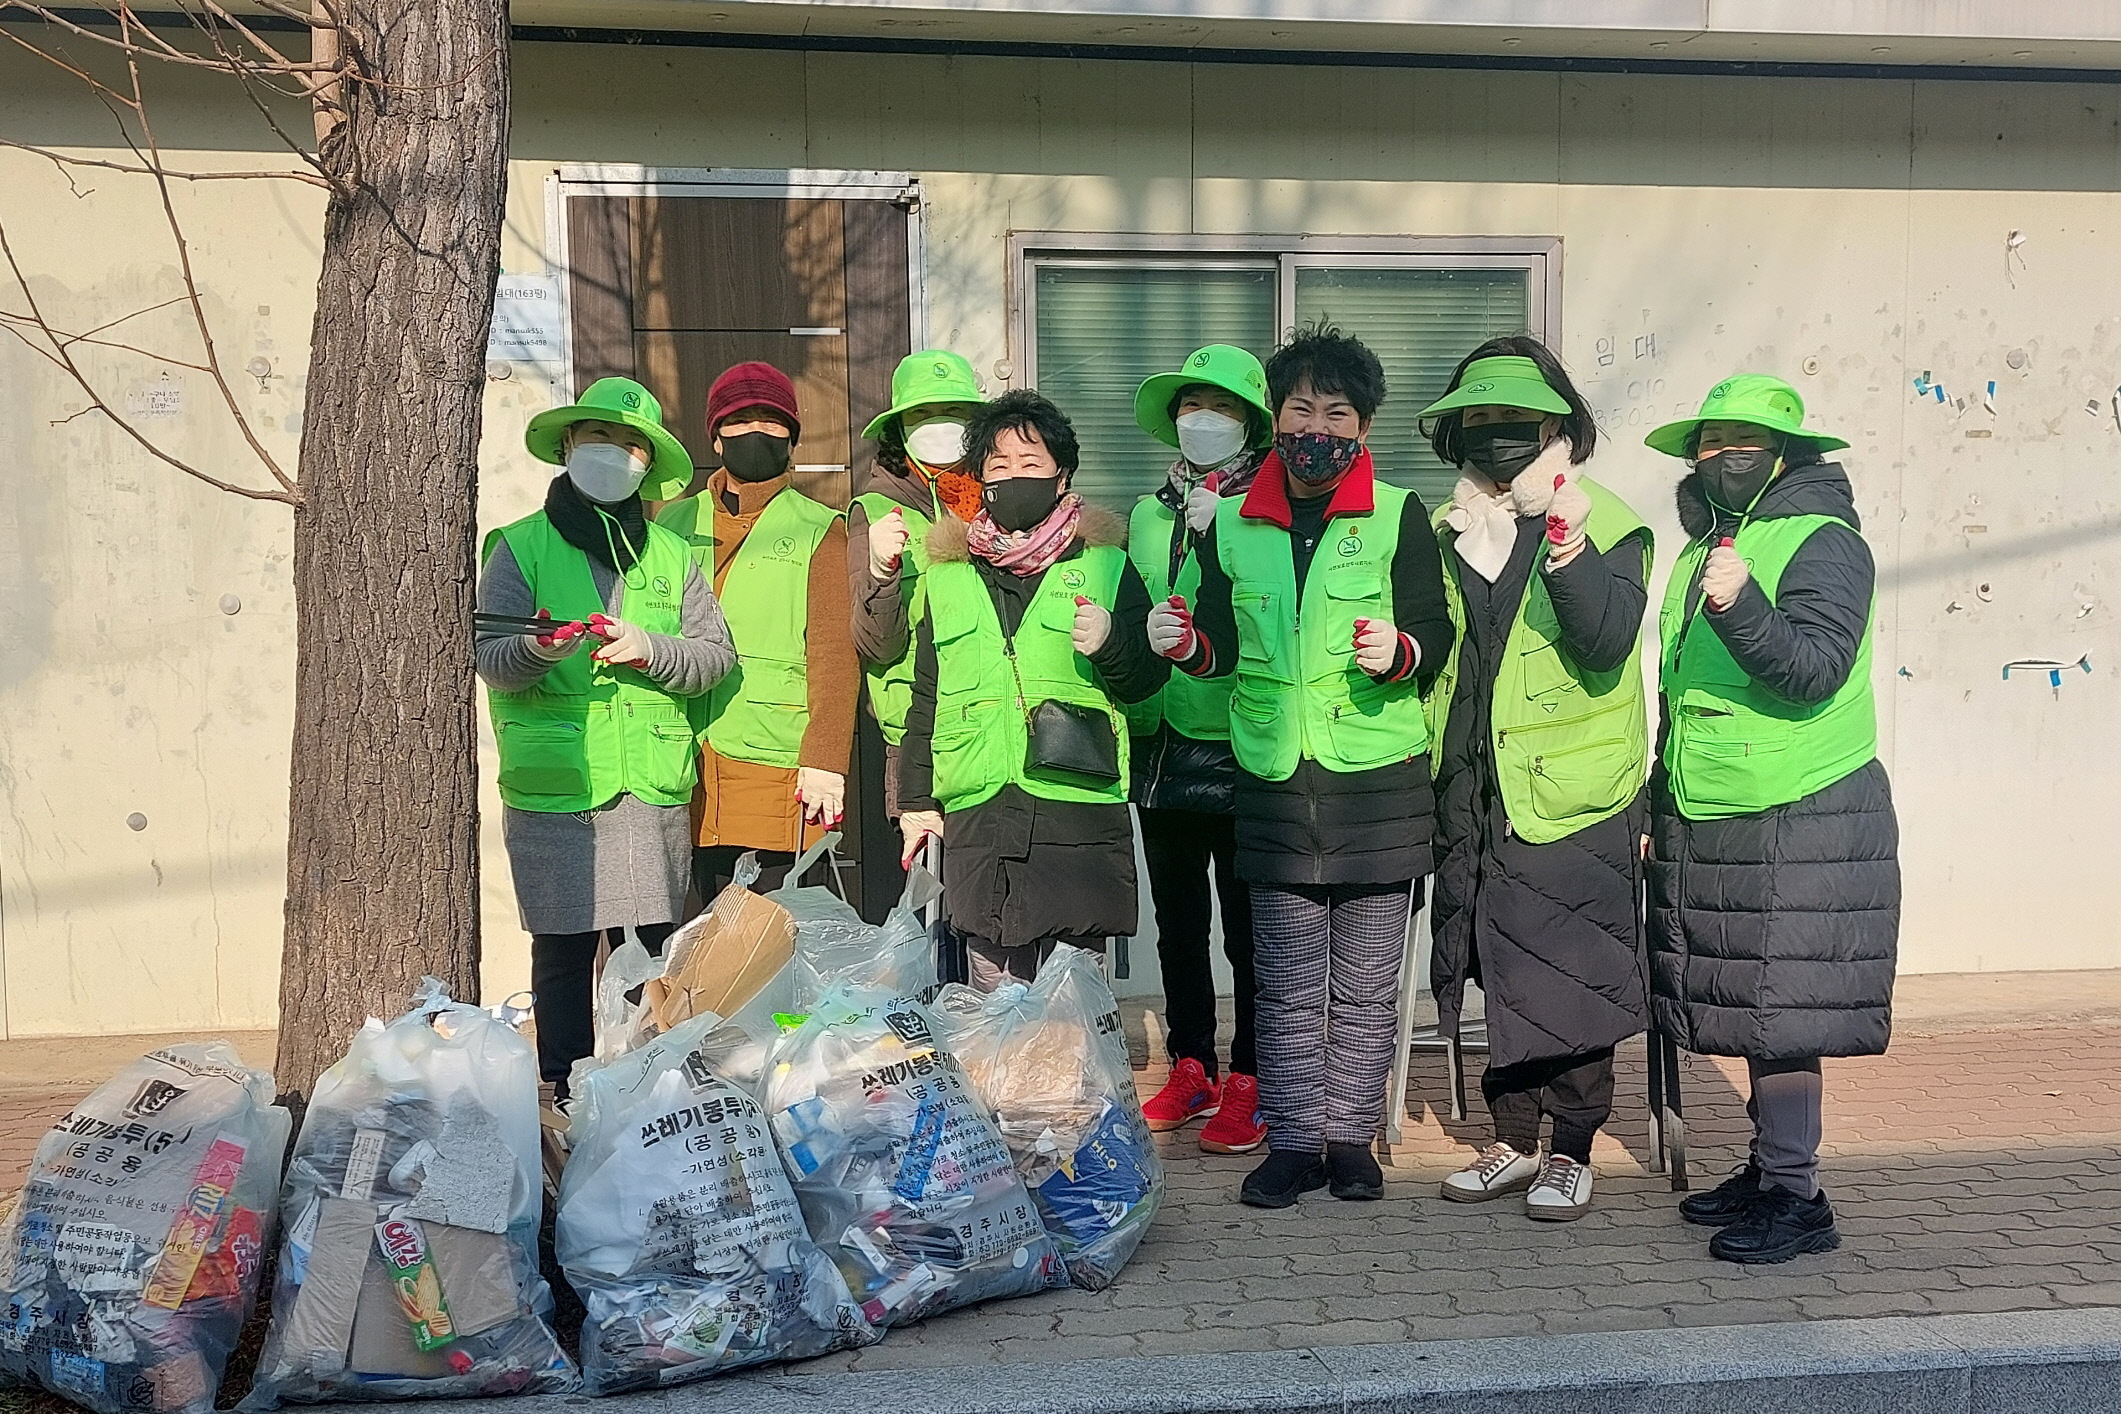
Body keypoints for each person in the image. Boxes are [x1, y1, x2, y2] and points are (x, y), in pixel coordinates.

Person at [1152, 325, 1454, 1208]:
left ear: (1363, 426)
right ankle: (1290, 1143)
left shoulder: (1398, 515)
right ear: (1274, 419)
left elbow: (1432, 639)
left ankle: (1348, 1142)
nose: (1316, 425)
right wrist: (1184, 643)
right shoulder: (1234, 525)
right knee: (1282, 983)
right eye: (1299, 408)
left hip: (1376, 784)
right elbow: (1214, 642)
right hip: (1274, 782)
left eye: (1337, 411)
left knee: (1362, 990)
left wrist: (1397, 650)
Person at [1644, 375, 1900, 1264]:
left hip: (1799, 810)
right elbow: (1683, 694)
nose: (1721, 457)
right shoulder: (1713, 543)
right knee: (1749, 1006)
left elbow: (1811, 668)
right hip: (1717, 806)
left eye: (1741, 441)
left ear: (1788, 452)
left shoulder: (1823, 541)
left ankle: (1799, 1198)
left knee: (1781, 1011)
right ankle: (1767, 1170)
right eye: (1707, 442)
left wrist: (1740, 604)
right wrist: (1655, 797)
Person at [1414, 340, 1653, 1222]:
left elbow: (1602, 640)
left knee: (1573, 972)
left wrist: (1570, 543)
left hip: (1571, 792)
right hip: (1476, 784)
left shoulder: (1612, 521)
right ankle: (1513, 1141)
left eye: (1515, 418)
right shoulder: (1452, 530)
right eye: (1477, 418)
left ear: (1557, 423)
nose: (1497, 434)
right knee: (1496, 965)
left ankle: (1575, 1149)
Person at [476, 376, 736, 1094]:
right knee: (560, 954)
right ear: (566, 446)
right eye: (597, 439)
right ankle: (560, 1090)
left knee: (652, 954)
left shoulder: (671, 555)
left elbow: (715, 658)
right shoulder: (518, 548)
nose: (612, 455)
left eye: (629, 445)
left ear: (648, 464)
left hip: (648, 787)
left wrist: (650, 646)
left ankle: (643, 1089)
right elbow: (490, 659)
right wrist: (540, 651)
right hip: (557, 787)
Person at [896, 390, 1169, 991]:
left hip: (1073, 813)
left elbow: (1148, 682)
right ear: (979, 479)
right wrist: (915, 801)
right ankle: (1002, 1089)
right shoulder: (948, 575)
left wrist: (1110, 645)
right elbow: (926, 698)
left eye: (1030, 463)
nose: (1014, 477)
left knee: (1073, 1001)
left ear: (1061, 473)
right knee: (991, 992)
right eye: (999, 466)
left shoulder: (1106, 564)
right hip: (980, 809)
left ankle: (1074, 1089)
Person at [1125, 345, 1274, 1155]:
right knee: (1178, 922)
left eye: (1217, 407)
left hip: (1245, 736)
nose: (1201, 421)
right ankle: (1192, 1063)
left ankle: (1252, 1076)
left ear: (1248, 420)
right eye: (1189, 406)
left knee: (1248, 927)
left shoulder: (1271, 506)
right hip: (1163, 736)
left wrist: (1234, 538)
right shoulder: (1149, 512)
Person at [655, 362, 857, 896]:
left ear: (791, 438)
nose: (756, 433)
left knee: (769, 945)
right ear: (716, 439)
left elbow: (835, 657)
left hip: (773, 767)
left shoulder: (821, 528)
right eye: (740, 421)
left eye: (771, 421)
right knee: (686, 948)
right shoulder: (670, 525)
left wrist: (826, 761)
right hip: (674, 762)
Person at [848, 350, 985, 818]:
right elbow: (877, 646)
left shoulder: (1004, 500)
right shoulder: (874, 510)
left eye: (955, 411)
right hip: (915, 733)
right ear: (899, 427)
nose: (940, 424)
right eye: (923, 413)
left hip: (995, 724)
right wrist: (882, 574)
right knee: (930, 886)